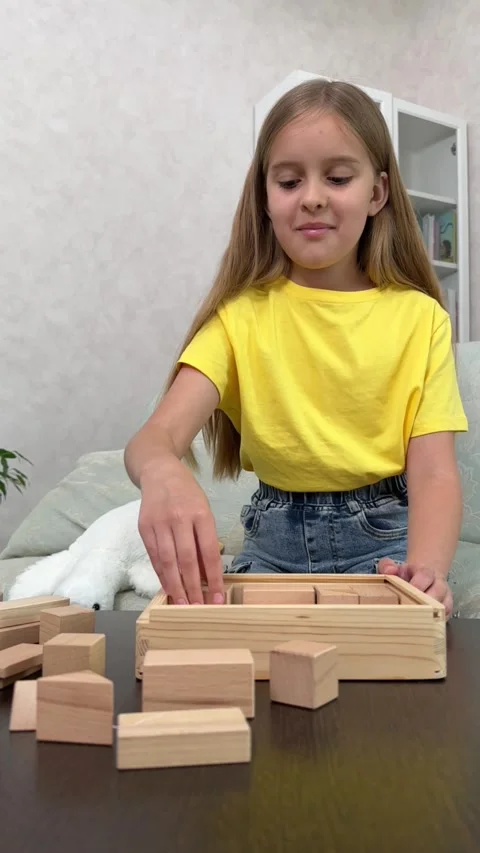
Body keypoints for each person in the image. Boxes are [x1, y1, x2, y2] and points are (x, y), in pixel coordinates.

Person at [124, 79, 468, 618]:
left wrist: (427, 573)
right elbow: (153, 438)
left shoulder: (420, 318)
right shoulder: (239, 317)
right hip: (270, 545)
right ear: (265, 196)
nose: (311, 196)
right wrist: (160, 469)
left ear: (376, 193)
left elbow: (434, 473)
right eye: (288, 180)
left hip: (385, 549)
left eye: (337, 177)